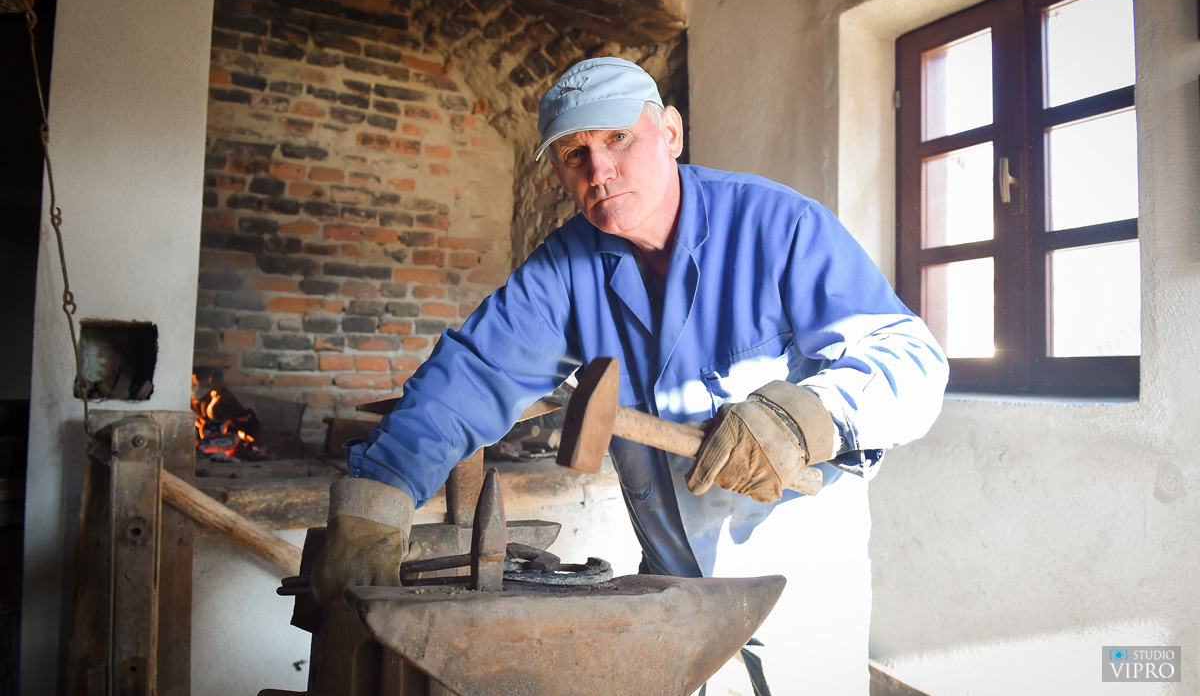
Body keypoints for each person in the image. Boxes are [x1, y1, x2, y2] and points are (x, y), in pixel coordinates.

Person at [312, 56, 948, 694]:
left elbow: (912, 359)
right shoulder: (565, 267)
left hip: (799, 582)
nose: (599, 170)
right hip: (671, 581)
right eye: (574, 154)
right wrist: (377, 498)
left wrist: (803, 417)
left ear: (670, 132)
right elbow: (473, 373)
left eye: (618, 138)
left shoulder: (778, 226)